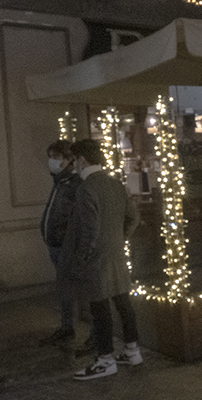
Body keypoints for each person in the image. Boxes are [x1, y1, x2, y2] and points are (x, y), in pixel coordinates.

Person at [61, 139, 142, 380]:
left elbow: (89, 232)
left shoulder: (86, 189)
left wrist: (80, 262)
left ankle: (106, 359)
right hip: (116, 255)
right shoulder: (116, 184)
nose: (74, 166)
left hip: (97, 260)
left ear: (82, 160)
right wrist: (120, 239)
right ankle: (132, 351)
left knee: (100, 308)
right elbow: (133, 218)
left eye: (74, 161)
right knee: (123, 303)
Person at [39, 140, 82, 345]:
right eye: (51, 157)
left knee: (72, 288)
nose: (52, 162)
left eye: (56, 157)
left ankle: (74, 327)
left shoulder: (74, 184)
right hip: (55, 244)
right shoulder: (59, 182)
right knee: (64, 288)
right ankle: (67, 326)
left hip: (65, 245)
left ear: (68, 160)